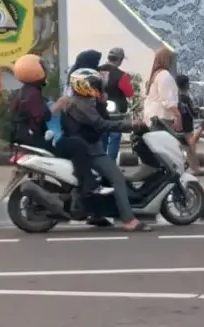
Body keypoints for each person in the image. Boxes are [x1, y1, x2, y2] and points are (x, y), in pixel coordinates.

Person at [56, 68, 152, 232]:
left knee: (102, 180)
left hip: (87, 146)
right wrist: (130, 125)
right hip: (91, 150)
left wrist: (125, 119)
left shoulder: (78, 101)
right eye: (95, 85)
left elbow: (103, 119)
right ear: (83, 86)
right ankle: (129, 220)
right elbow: (101, 124)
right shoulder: (82, 104)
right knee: (117, 179)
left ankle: (97, 215)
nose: (99, 88)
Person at [97, 47, 135, 162]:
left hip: (98, 111)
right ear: (120, 59)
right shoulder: (121, 75)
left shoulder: (95, 71)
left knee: (101, 136)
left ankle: (101, 164)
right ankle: (111, 164)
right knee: (114, 136)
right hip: (116, 113)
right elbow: (129, 93)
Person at [8, 54, 53, 149]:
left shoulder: (22, 92)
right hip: (33, 139)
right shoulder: (33, 94)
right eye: (44, 69)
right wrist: (58, 106)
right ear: (36, 72)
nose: (46, 73)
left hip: (22, 137)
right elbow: (43, 116)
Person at [142, 47, 181, 131]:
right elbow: (168, 100)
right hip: (162, 119)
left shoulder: (155, 74)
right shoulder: (164, 75)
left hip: (151, 117)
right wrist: (178, 115)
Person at [174, 74, 204, 175]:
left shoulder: (175, 97)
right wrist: (197, 110)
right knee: (190, 149)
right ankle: (195, 169)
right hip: (187, 126)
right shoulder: (186, 99)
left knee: (179, 148)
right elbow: (192, 113)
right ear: (186, 84)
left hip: (176, 126)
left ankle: (179, 168)